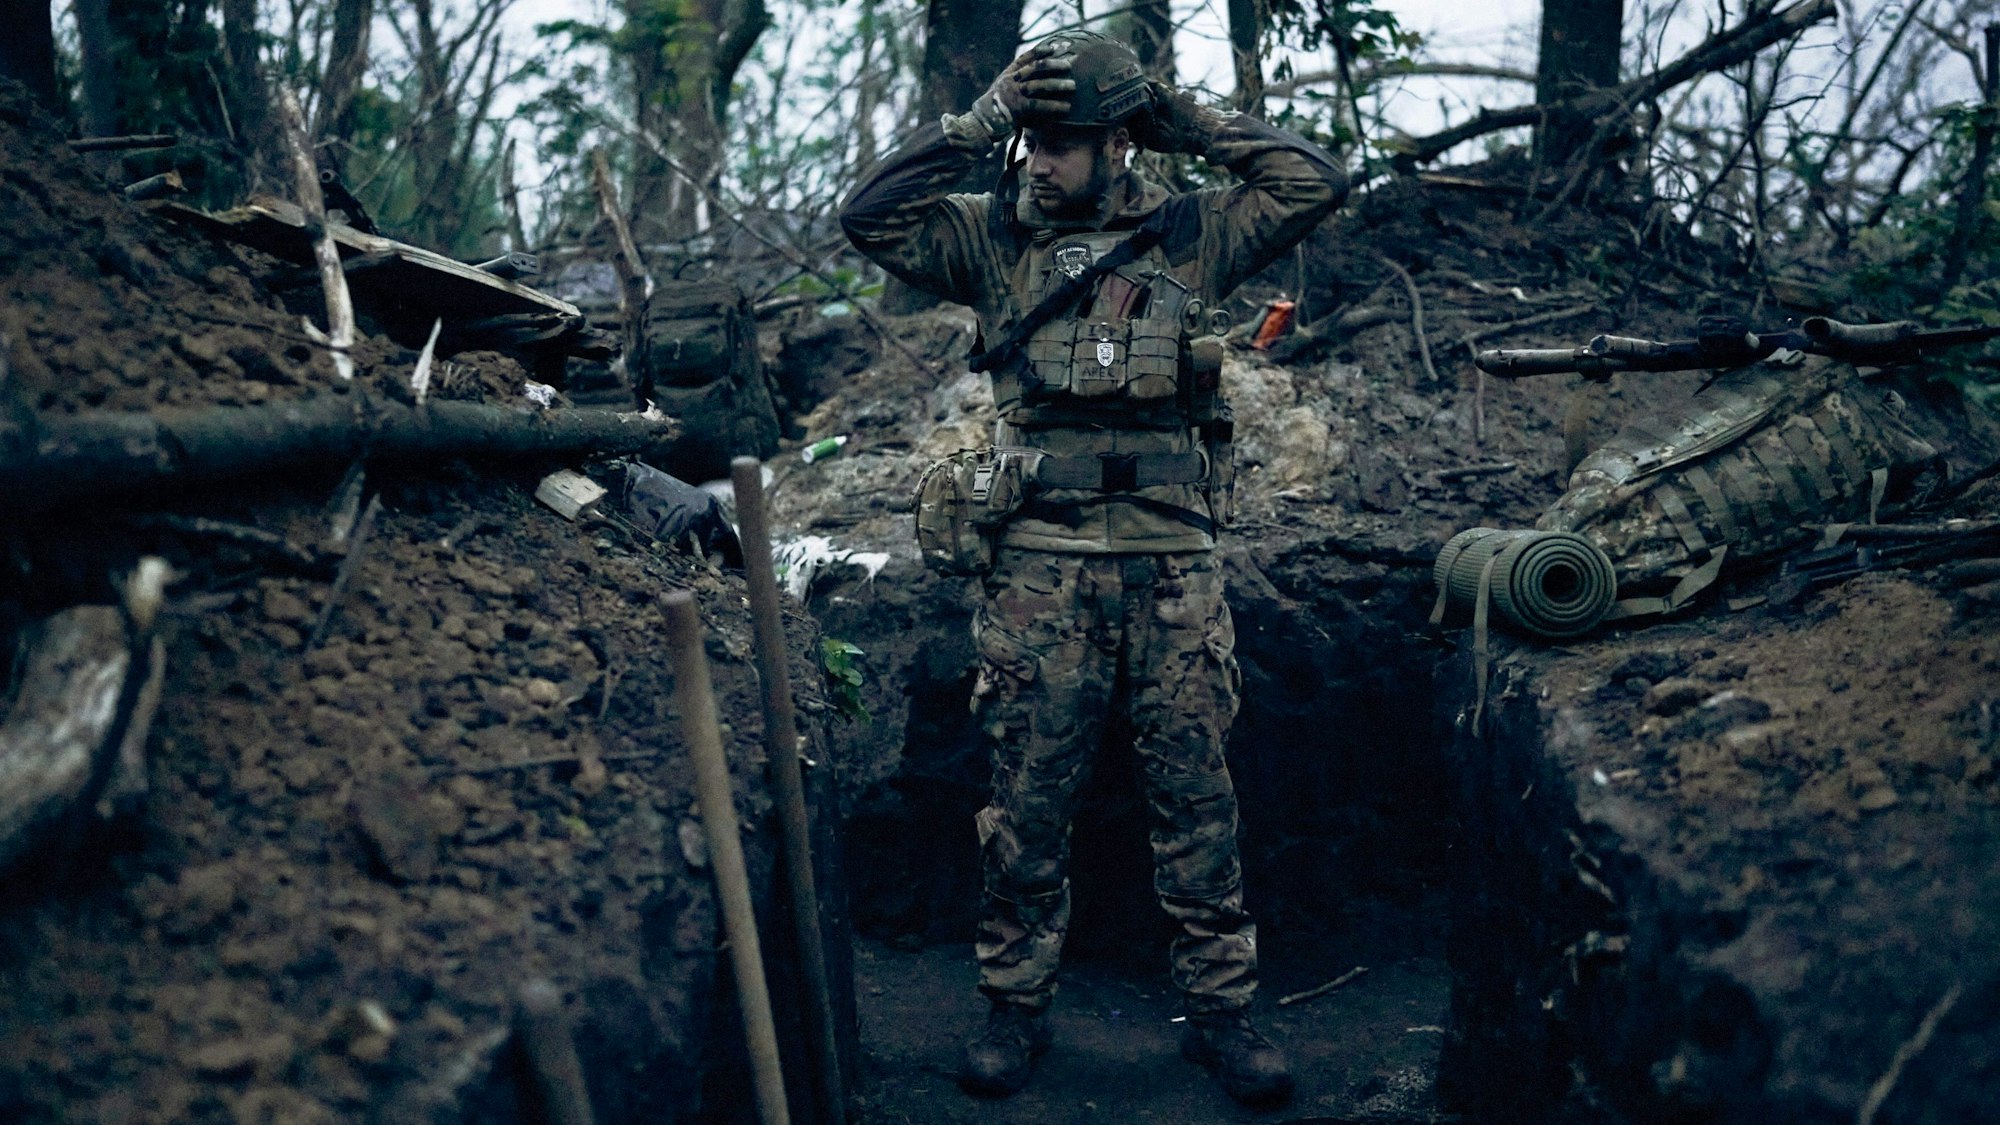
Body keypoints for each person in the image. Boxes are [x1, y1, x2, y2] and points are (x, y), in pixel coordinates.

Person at [839, 30, 1347, 1107]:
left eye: (1061, 143)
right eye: (1030, 142)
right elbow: (865, 218)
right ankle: (1012, 1008)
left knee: (1197, 799)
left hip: (1173, 564)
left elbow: (1313, 184)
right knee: (1026, 802)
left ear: (1118, 144)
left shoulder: (1191, 232)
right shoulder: (990, 239)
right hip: (1039, 565)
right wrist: (976, 121)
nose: (1039, 161)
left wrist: (1182, 118)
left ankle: (1221, 1013)